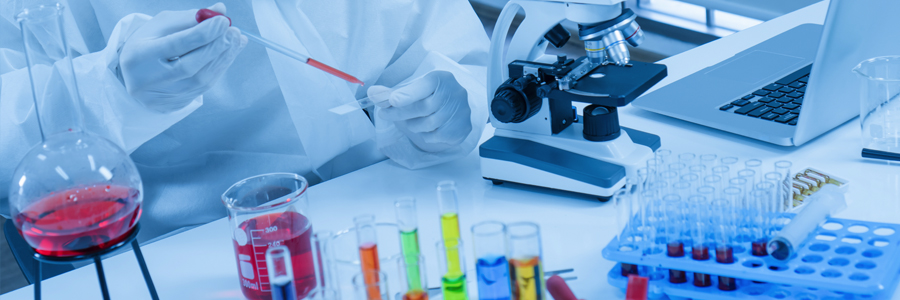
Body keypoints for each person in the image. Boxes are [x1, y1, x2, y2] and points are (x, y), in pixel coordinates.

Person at [0, 0, 489, 242]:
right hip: (158, 248)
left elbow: (455, 55)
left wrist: (452, 102)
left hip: (364, 220)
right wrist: (106, 89)